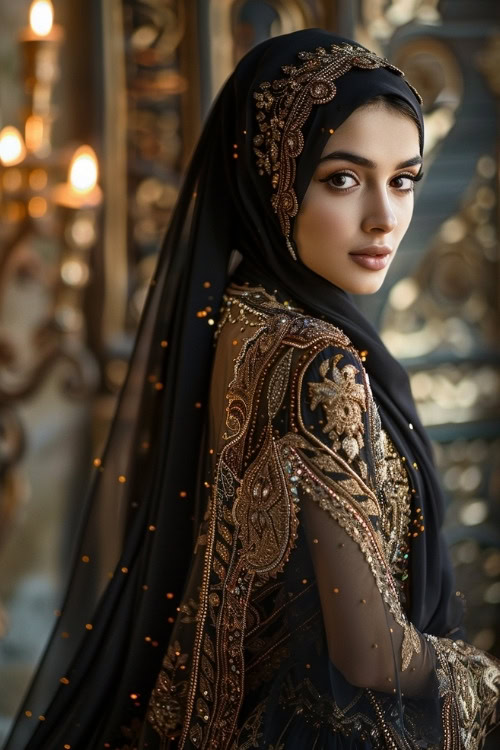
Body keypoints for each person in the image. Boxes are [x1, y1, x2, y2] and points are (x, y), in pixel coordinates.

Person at [5, 28, 500, 750]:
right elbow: (367, 655)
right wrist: (484, 682)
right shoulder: (316, 358)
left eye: (403, 179)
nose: (383, 218)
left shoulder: (241, 312)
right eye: (342, 178)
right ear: (276, 180)